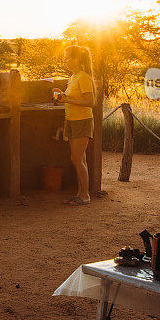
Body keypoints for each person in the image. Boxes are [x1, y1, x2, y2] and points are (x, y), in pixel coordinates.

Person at [53, 45, 96, 206]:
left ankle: (85, 196)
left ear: (77, 59)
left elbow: (90, 102)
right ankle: (80, 193)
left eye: (68, 58)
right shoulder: (73, 77)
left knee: (77, 159)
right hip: (72, 120)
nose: (65, 61)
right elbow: (71, 98)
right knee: (79, 159)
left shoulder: (84, 77)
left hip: (82, 121)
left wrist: (66, 99)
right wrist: (61, 95)